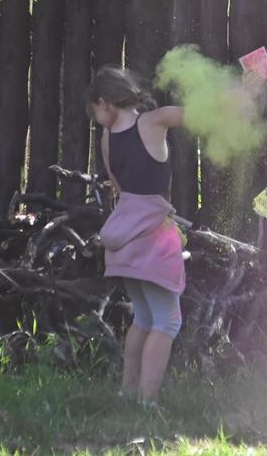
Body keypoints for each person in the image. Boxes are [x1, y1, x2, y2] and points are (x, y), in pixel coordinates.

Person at [86, 66, 185, 405]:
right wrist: (244, 93)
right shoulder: (155, 121)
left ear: (104, 102)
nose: (97, 118)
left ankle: (128, 392)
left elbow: (119, 189)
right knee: (168, 320)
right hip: (155, 235)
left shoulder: (107, 140)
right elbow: (203, 115)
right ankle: (146, 402)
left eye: (95, 111)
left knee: (143, 317)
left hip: (123, 238)